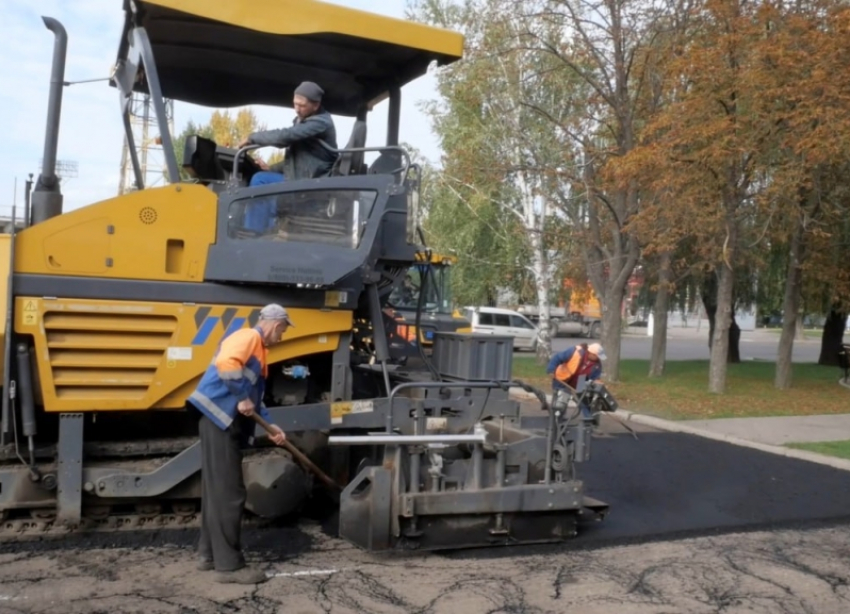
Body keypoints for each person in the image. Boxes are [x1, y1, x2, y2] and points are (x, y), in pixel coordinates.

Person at [187, 304, 293, 584]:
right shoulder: (248, 337)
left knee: (217, 492)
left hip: (219, 420)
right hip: (219, 419)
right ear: (275, 324)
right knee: (230, 494)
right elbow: (227, 364)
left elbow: (254, 399)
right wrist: (241, 397)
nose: (281, 336)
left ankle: (209, 555)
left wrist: (272, 428)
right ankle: (229, 566)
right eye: (282, 330)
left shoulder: (259, 350)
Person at [238, 81, 339, 185]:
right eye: (295, 104)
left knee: (260, 179)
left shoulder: (321, 122)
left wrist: (252, 138)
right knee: (260, 175)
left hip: (313, 182)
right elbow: (297, 161)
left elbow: (285, 136)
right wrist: (271, 168)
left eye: (302, 105)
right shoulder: (303, 120)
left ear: (316, 105)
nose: (297, 109)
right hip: (303, 177)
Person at [546, 343, 606, 418]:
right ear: (591, 353)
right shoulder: (575, 351)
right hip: (562, 377)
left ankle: (589, 420)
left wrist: (596, 382)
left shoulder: (597, 365)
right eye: (597, 356)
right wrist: (551, 370)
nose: (598, 358)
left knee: (584, 399)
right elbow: (557, 358)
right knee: (561, 399)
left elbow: (595, 378)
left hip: (580, 380)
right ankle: (557, 419)